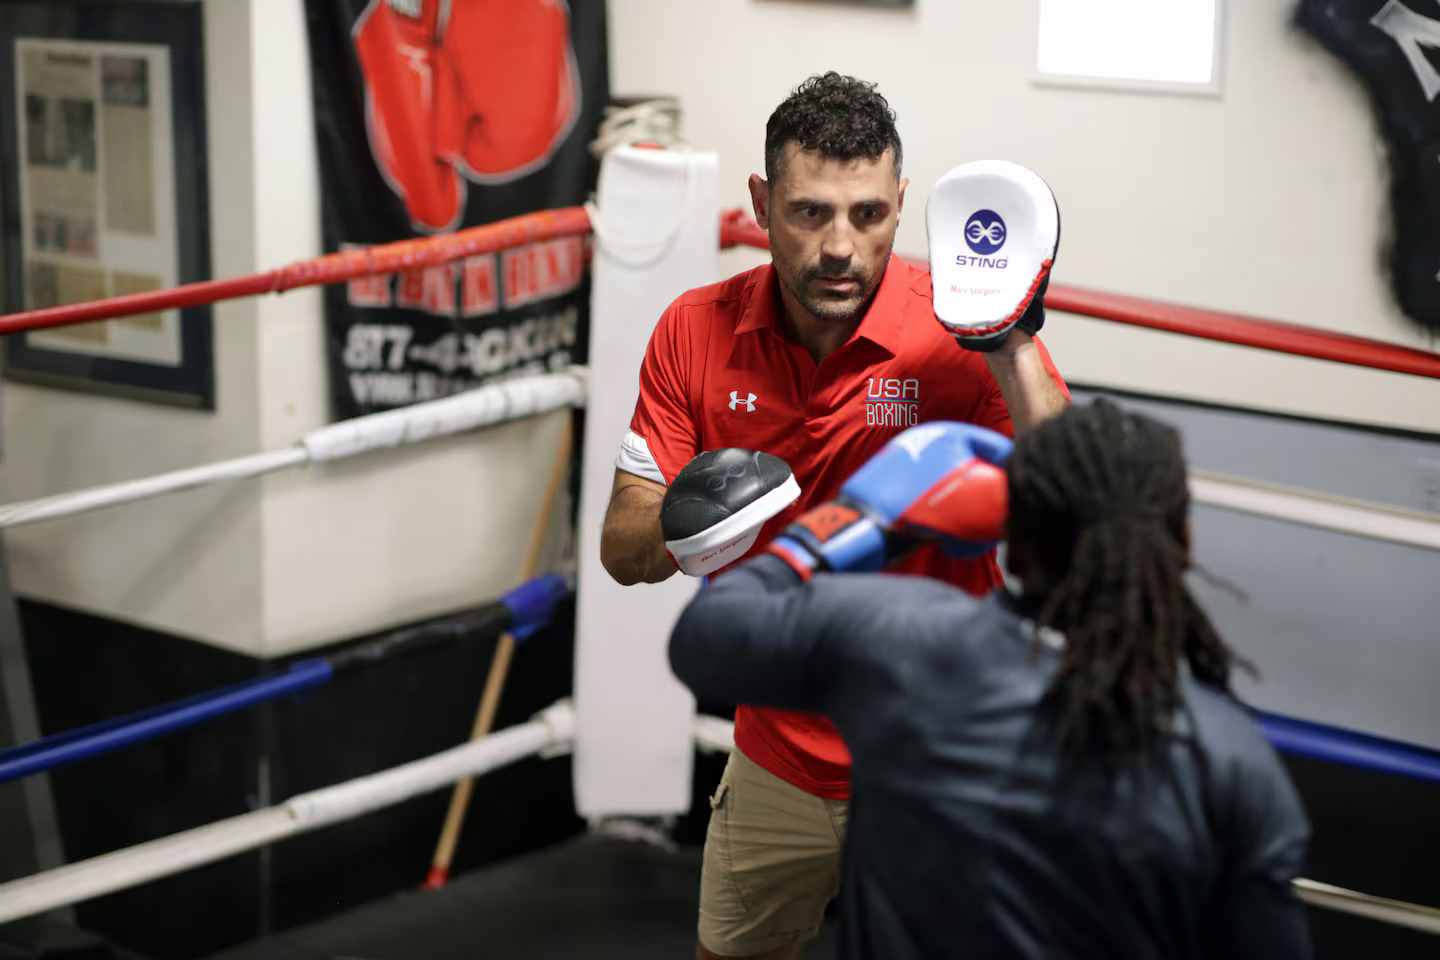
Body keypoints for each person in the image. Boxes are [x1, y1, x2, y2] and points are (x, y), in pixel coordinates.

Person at [599, 72, 1070, 958]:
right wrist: (691, 520)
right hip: (777, 753)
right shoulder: (694, 330)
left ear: (902, 204)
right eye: (811, 213)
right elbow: (623, 548)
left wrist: (1011, 343)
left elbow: (1075, 517)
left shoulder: (957, 329)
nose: (841, 248)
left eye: (868, 215)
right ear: (762, 204)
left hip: (938, 755)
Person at [668, 400, 1314, 960]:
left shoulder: (904, 646)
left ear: (1011, 538)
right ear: (1183, 543)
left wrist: (853, 518)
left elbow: (708, 638)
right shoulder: (1231, 760)